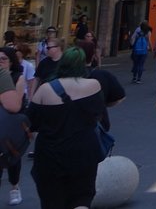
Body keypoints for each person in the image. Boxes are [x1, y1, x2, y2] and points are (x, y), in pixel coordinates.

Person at [28, 47, 105, 209]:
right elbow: (99, 112)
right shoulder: (94, 85)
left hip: (51, 154)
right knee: (82, 198)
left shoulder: (45, 89)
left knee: (52, 200)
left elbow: (31, 122)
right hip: (84, 151)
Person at [0, 47, 27, 205]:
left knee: (12, 158)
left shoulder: (18, 77)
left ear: (11, 62)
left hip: (11, 123)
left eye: (3, 59)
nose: (0, 62)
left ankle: (15, 186)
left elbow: (15, 103)